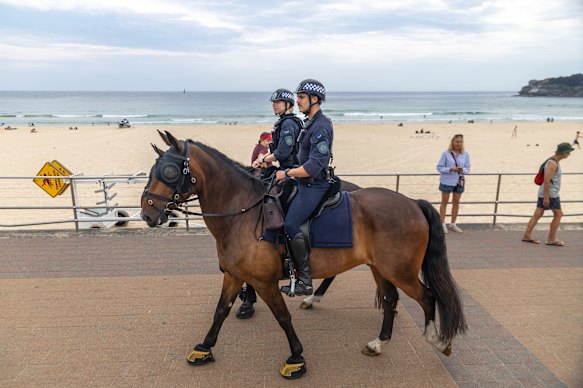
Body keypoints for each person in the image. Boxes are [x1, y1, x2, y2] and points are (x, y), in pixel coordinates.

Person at [236, 89, 303, 319]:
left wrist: (264, 158)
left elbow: (283, 151)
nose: (274, 105)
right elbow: (279, 151)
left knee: (273, 207)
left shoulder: (289, 124)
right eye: (273, 102)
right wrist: (265, 160)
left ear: (288, 104)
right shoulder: (283, 122)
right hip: (280, 170)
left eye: (278, 102)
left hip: (291, 174)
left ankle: (280, 253)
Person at [275, 79, 332, 296]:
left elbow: (315, 165)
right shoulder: (309, 122)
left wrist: (287, 173)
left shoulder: (321, 125)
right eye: (297, 97)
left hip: (314, 184)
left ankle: (305, 281)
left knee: (290, 224)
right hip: (303, 180)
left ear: (314, 99)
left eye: (301, 97)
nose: (297, 101)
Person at [522, 142, 574, 246]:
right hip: (551, 194)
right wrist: (546, 197)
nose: (569, 154)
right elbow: (546, 180)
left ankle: (527, 235)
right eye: (568, 152)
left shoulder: (553, 161)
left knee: (538, 213)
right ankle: (551, 239)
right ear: (562, 152)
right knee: (559, 214)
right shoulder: (553, 163)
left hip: (545, 192)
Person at [436, 134, 471, 234]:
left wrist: (462, 169)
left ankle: (453, 224)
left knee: (456, 202)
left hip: (459, 181)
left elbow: (468, 168)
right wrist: (450, 169)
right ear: (453, 142)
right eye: (457, 142)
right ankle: (442, 224)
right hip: (447, 180)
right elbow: (439, 167)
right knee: (444, 202)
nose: (458, 144)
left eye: (460, 142)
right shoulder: (445, 153)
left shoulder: (465, 154)